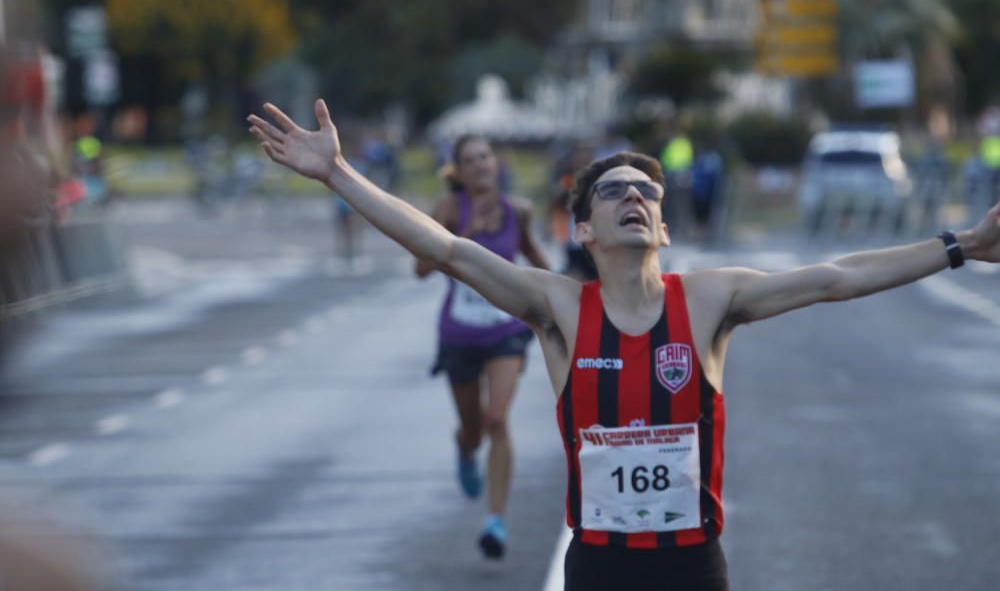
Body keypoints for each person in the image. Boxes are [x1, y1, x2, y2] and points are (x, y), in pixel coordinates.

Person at [248, 100, 1000, 590]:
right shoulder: (558, 308)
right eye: (614, 192)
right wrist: (337, 172)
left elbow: (837, 276)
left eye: (648, 192)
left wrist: (960, 244)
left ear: (664, 227)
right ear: (583, 229)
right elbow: (444, 248)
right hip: (600, 566)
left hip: (693, 567)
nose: (634, 198)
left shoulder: (709, 298)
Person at [414, 134, 550, 559]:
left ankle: (495, 521)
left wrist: (567, 297)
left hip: (504, 331)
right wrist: (465, 235)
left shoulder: (518, 211)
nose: (480, 165)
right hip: (459, 334)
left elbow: (538, 263)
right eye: (470, 160)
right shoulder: (449, 210)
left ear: (496, 163)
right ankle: (464, 448)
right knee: (473, 429)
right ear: (460, 170)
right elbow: (420, 268)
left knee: (497, 419)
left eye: (485, 157)